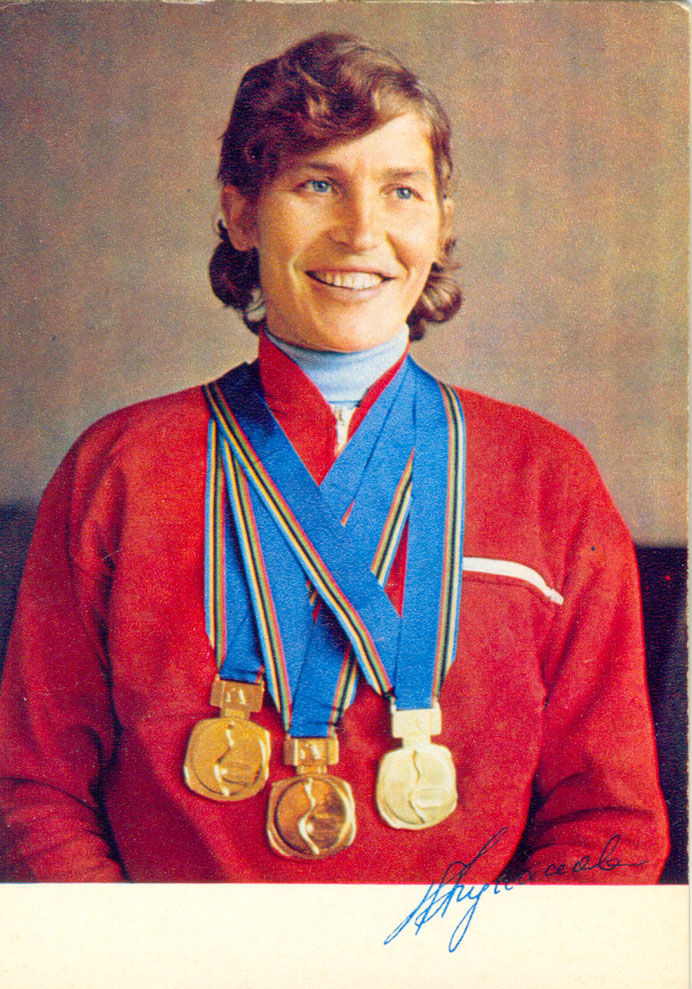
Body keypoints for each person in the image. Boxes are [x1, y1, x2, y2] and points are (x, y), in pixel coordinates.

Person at [0, 32, 669, 883]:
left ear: (440, 223)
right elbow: (35, 792)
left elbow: (609, 826)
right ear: (242, 214)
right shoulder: (120, 467)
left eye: (401, 191)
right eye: (317, 184)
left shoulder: (548, 478)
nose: (361, 232)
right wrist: (139, 953)